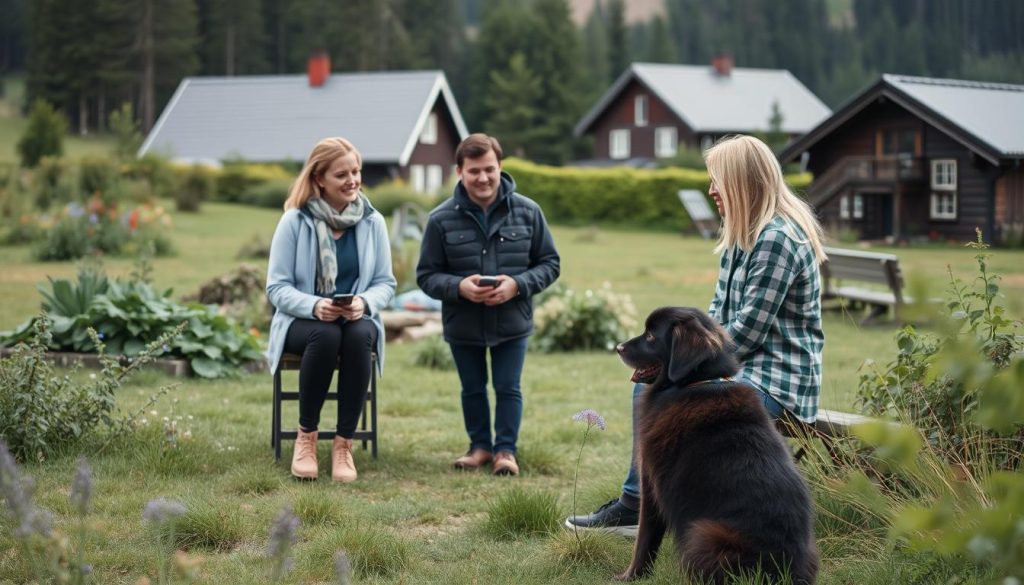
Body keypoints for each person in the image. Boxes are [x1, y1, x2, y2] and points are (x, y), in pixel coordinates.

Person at [565, 134, 826, 535]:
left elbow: (746, 333)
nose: (710, 190)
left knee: (671, 393)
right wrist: (669, 367)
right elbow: (715, 319)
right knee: (651, 388)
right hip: (737, 369)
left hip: (778, 380)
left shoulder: (777, 240)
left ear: (742, 182)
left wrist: (681, 370)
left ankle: (653, 510)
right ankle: (638, 506)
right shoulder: (742, 235)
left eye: (716, 180)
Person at [416, 133, 560, 476]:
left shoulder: (528, 212)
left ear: (500, 168)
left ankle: (505, 452)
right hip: (462, 322)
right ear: (459, 172)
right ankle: (479, 448)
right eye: (474, 171)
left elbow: (550, 264)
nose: (483, 178)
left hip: (513, 321)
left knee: (508, 387)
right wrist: (459, 287)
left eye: (489, 169)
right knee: (472, 389)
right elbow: (426, 275)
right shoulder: (440, 219)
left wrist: (517, 285)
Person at [266, 137, 396, 482]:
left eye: (356, 171)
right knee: (325, 334)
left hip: (356, 319)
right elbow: (276, 287)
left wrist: (364, 303)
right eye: (342, 174)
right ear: (319, 178)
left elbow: (386, 283)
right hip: (303, 321)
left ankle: (343, 445)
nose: (353, 180)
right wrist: (314, 305)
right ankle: (306, 438)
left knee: (357, 335)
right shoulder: (295, 221)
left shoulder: (373, 222)